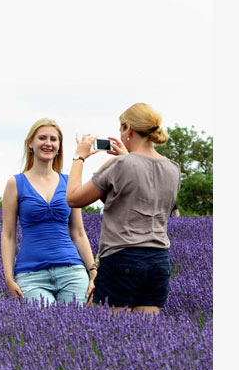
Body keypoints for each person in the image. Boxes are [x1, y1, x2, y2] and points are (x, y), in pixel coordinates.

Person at [65, 103, 181, 316]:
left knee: (113, 336)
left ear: (128, 128)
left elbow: (73, 198)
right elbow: (131, 201)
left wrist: (79, 157)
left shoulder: (120, 166)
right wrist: (124, 158)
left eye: (121, 128)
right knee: (146, 337)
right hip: (159, 262)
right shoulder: (173, 168)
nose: (120, 133)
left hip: (122, 258)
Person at [0, 118, 97, 306]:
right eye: (42, 138)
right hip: (30, 275)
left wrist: (93, 272)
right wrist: (9, 278)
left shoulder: (68, 182)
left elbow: (78, 232)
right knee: (42, 330)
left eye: (53, 139)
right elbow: (9, 234)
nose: (48, 143)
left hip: (72, 271)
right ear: (30, 143)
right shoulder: (16, 183)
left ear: (59, 146)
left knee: (76, 328)